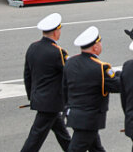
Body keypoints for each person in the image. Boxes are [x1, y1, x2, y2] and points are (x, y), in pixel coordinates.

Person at [63, 26, 121, 152]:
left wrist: (67, 108)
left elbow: (64, 88)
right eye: (100, 42)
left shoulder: (70, 62)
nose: (101, 45)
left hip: (74, 115)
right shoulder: (100, 67)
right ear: (95, 47)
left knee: (96, 148)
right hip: (89, 119)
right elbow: (117, 85)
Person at [21, 13, 71, 152]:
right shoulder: (58, 52)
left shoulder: (33, 47)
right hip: (51, 103)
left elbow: (27, 75)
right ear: (56, 31)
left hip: (41, 99)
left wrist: (32, 96)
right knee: (35, 138)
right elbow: (69, 75)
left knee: (63, 135)